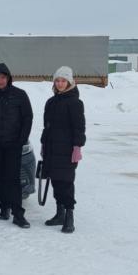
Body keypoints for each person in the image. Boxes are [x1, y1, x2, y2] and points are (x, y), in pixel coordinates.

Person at [0, 63, 36, 228]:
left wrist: (22, 139)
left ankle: (18, 214)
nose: (0, 81)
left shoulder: (20, 94)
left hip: (14, 144)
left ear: (8, 78)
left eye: (3, 77)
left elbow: (27, 118)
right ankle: (4, 207)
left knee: (13, 179)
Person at [42, 67, 88, 234]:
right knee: (55, 181)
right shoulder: (51, 102)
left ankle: (69, 216)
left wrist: (77, 146)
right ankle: (59, 213)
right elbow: (46, 127)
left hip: (68, 151)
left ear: (69, 82)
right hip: (51, 149)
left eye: (63, 81)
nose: (60, 84)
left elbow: (79, 127)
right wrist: (43, 144)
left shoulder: (75, 103)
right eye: (57, 80)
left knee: (66, 183)